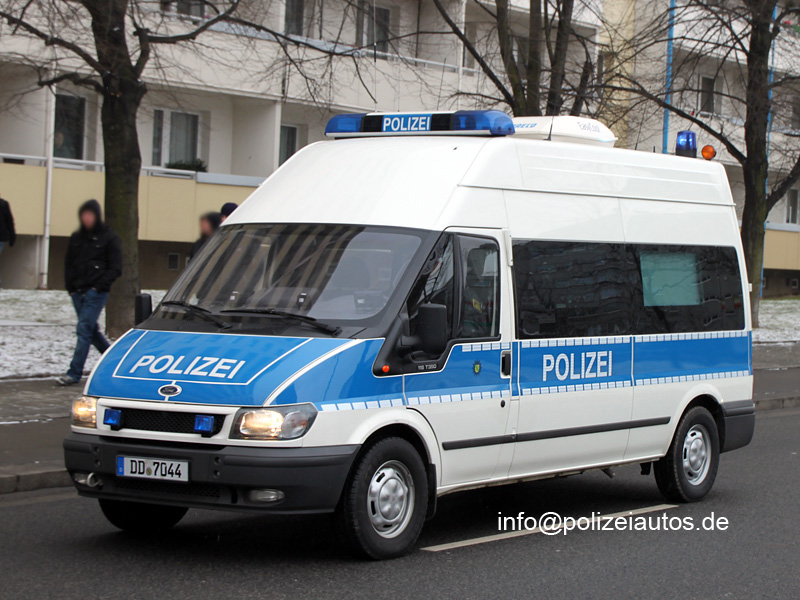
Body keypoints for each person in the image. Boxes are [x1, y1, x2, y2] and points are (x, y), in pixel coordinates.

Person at [57, 200, 122, 386]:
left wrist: (98, 287)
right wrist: (71, 288)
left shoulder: (109, 238)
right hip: (78, 291)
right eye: (84, 215)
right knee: (91, 332)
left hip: (96, 292)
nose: (86, 219)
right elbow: (69, 263)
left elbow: (116, 267)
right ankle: (115, 360)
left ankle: (74, 372)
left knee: (84, 329)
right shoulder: (77, 237)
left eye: (90, 215)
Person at [0, 194, 16, 288]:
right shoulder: (3, 204)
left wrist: (12, 235)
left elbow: (9, 220)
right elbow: (9, 221)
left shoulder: (3, 204)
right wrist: (12, 235)